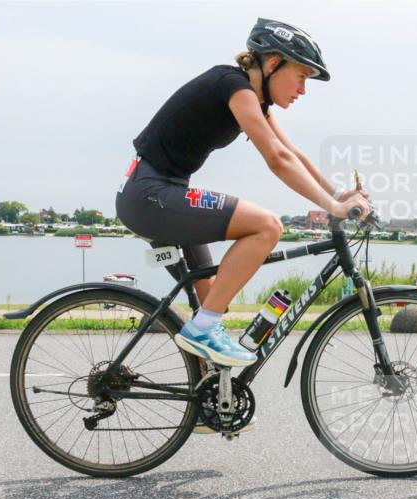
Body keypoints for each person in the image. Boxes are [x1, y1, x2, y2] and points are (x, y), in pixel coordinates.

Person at [115, 18, 370, 368]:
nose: (303, 90)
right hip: (151, 195)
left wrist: (338, 196)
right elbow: (277, 159)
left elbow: (292, 153)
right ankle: (203, 330)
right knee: (267, 227)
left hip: (159, 194)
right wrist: (331, 207)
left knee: (211, 302)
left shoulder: (254, 100)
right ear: (273, 63)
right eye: (301, 77)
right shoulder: (232, 86)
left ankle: (207, 408)